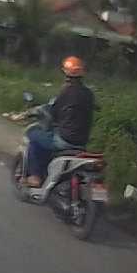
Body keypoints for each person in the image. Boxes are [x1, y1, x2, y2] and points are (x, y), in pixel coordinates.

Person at [24, 56, 95, 188]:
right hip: (82, 142)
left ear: (66, 73)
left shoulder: (66, 91)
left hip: (65, 140)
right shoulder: (89, 93)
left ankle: (35, 176)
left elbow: (53, 113)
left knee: (33, 135)